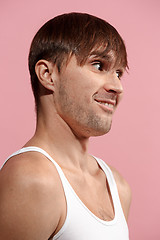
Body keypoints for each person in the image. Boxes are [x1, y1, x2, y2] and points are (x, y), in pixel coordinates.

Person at [0, 12, 131, 240]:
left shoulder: (118, 187)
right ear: (48, 74)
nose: (117, 87)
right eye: (99, 65)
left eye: (118, 72)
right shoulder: (32, 177)